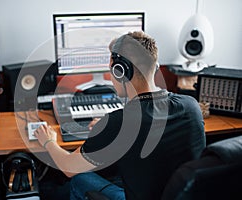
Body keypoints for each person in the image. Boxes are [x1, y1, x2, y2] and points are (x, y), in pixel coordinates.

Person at [34, 31, 206, 199]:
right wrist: (108, 128)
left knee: (79, 179)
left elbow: (69, 168)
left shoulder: (118, 123)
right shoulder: (191, 106)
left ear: (120, 72)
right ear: (156, 67)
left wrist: (48, 141)